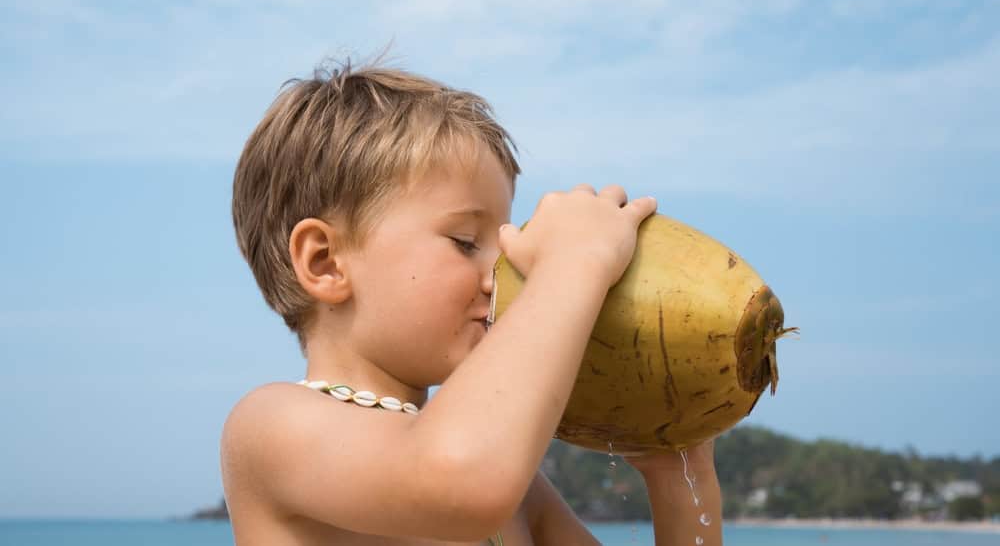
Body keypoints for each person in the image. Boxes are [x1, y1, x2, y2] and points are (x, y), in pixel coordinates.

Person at [222, 63, 723, 545]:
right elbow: (460, 480)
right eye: (465, 241)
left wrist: (679, 471)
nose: (499, 276)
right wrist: (574, 264)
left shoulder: (519, 492)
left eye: (504, 249)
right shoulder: (271, 428)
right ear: (326, 261)